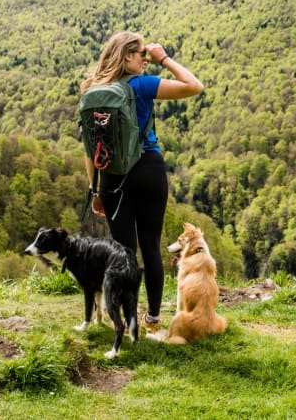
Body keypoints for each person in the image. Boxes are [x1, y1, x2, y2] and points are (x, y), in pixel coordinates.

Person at [81, 31, 204, 336]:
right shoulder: (142, 85)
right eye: (142, 55)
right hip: (149, 171)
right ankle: (153, 317)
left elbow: (90, 150)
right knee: (150, 247)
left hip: (112, 178)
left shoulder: (93, 91)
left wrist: (95, 190)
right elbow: (194, 86)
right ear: (127, 57)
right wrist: (165, 58)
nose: (146, 60)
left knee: (124, 252)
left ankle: (126, 319)